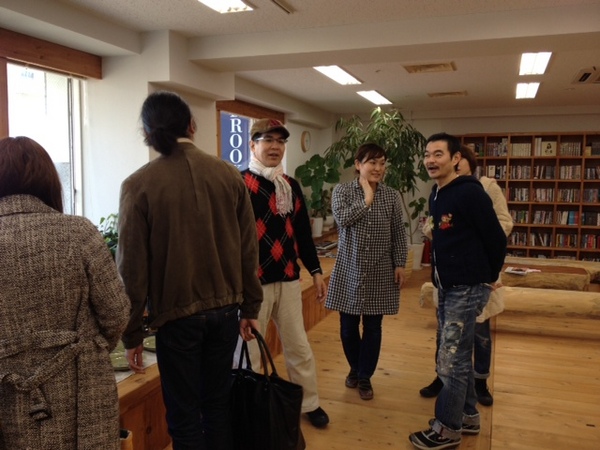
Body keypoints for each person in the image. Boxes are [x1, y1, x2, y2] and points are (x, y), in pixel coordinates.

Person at [117, 91, 263, 450]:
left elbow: (131, 268)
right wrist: (251, 307)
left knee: (184, 418)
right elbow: (248, 249)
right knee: (217, 407)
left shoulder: (138, 185)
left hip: (176, 318)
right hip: (226, 312)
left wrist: (131, 333)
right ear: (192, 126)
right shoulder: (229, 175)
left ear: (147, 133)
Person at [0, 136, 130, 449]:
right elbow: (116, 313)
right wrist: (88, 347)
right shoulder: (78, 232)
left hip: (7, 394)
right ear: (48, 181)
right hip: (83, 388)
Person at [409, 133, 507, 450]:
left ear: (455, 159)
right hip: (446, 286)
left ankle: (447, 429)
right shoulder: (437, 194)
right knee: (457, 357)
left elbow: (496, 237)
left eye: (438, 154)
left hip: (466, 287)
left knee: (451, 360)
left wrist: (488, 276)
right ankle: (467, 416)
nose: (430, 160)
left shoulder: (469, 192)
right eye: (427, 154)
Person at [241, 118, 330, 428]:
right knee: (251, 351)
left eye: (280, 141)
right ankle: (250, 409)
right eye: (268, 140)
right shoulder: (239, 184)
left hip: (289, 278)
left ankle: (309, 403)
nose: (275, 146)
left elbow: (302, 233)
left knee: (298, 346)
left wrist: (315, 271)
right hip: (253, 286)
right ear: (252, 145)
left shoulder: (289, 185)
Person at [325, 143, 408, 401]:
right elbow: (342, 219)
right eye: (372, 162)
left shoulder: (392, 196)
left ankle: (364, 376)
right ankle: (355, 367)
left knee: (373, 327)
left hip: (380, 269)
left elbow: (398, 232)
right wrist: (366, 200)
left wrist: (400, 263)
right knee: (348, 327)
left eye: (382, 163)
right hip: (349, 268)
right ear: (358, 164)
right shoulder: (342, 191)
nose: (378, 168)